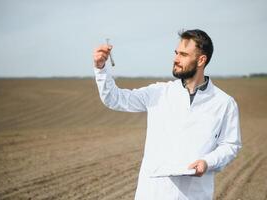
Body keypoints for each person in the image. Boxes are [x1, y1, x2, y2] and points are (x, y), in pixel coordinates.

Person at [92, 29, 242, 200]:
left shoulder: (224, 103)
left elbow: (230, 145)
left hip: (194, 195)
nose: (176, 59)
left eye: (183, 54)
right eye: (176, 53)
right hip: (153, 193)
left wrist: (208, 162)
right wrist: (100, 68)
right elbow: (114, 98)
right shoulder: (158, 92)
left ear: (201, 60)